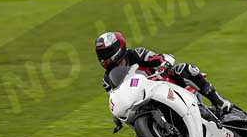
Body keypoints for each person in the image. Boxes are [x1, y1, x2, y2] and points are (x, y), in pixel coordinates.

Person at [95, 31, 234, 117]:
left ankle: (219, 101)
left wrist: (164, 65)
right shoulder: (107, 80)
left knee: (184, 69)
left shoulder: (137, 54)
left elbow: (162, 58)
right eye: (101, 54)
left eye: (106, 52)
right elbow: (117, 99)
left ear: (118, 47)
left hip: (164, 84)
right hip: (142, 101)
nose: (103, 57)